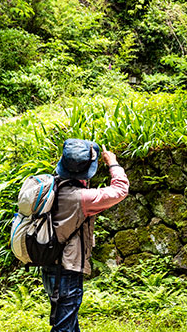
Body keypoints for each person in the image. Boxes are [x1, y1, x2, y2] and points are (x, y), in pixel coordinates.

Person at [43, 138, 129, 332]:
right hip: (68, 269)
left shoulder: (52, 186)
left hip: (49, 264)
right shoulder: (81, 198)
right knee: (64, 327)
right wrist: (112, 163)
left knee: (68, 322)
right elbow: (120, 189)